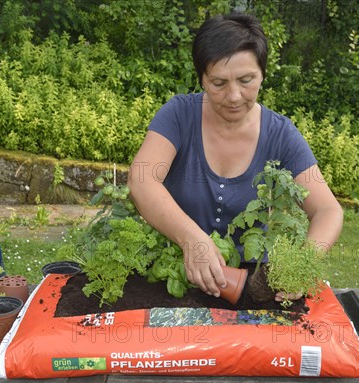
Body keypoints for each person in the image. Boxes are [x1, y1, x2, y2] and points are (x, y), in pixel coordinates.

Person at [128, 13, 343, 301]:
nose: (234, 96)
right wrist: (192, 239)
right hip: (175, 277)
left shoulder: (281, 134)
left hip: (253, 288)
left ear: (263, 74)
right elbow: (143, 180)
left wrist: (302, 266)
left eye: (246, 80)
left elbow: (328, 210)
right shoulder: (179, 115)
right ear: (202, 78)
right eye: (219, 83)